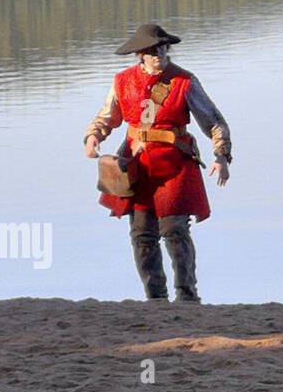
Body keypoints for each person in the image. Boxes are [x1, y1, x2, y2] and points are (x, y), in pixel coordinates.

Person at [83, 22, 231, 302]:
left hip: (174, 165)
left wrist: (221, 155)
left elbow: (214, 121)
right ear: (140, 54)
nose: (159, 54)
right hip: (137, 166)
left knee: (174, 228)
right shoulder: (122, 81)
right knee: (142, 234)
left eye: (163, 48)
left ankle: (187, 296)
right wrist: (93, 136)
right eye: (152, 50)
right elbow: (108, 116)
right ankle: (156, 299)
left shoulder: (184, 81)